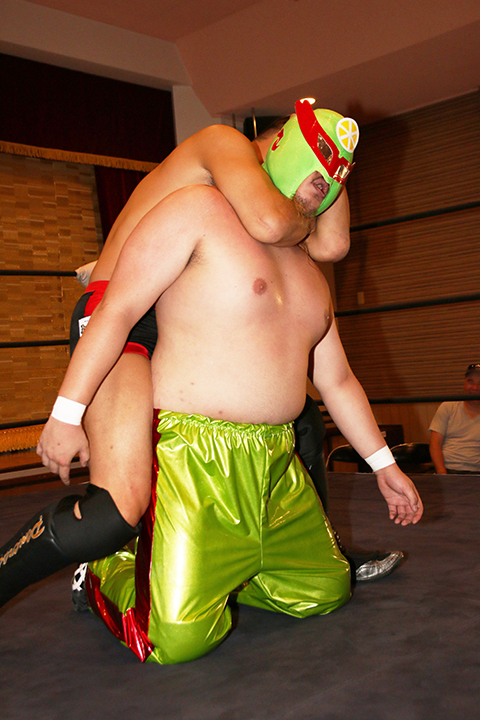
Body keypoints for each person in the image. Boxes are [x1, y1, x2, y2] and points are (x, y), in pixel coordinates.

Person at [10, 107, 422, 663]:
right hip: (135, 327)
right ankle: (107, 565)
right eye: (318, 161)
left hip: (257, 432)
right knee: (116, 511)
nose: (325, 185)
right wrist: (66, 413)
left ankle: (262, 560)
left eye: (337, 179)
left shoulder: (302, 266)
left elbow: (334, 291)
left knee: (303, 430)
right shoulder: (213, 181)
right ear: (276, 144)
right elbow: (122, 308)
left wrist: (383, 465)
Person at [429, 363, 480, 474]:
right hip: (448, 470)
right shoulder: (448, 407)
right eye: (470, 382)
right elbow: (435, 444)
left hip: (476, 473)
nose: (475, 388)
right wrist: (442, 474)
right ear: (464, 382)